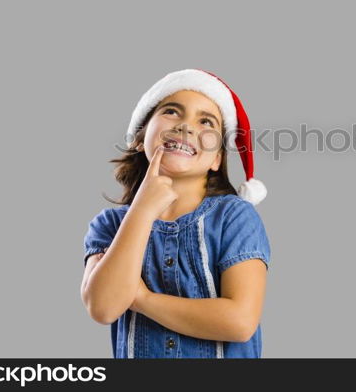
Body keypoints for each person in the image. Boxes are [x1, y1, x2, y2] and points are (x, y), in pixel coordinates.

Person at [80, 68, 271, 358]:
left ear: (217, 158)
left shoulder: (234, 218)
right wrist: (143, 209)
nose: (187, 126)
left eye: (206, 121)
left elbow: (239, 321)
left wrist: (142, 299)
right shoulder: (109, 225)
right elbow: (104, 306)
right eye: (172, 111)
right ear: (139, 136)